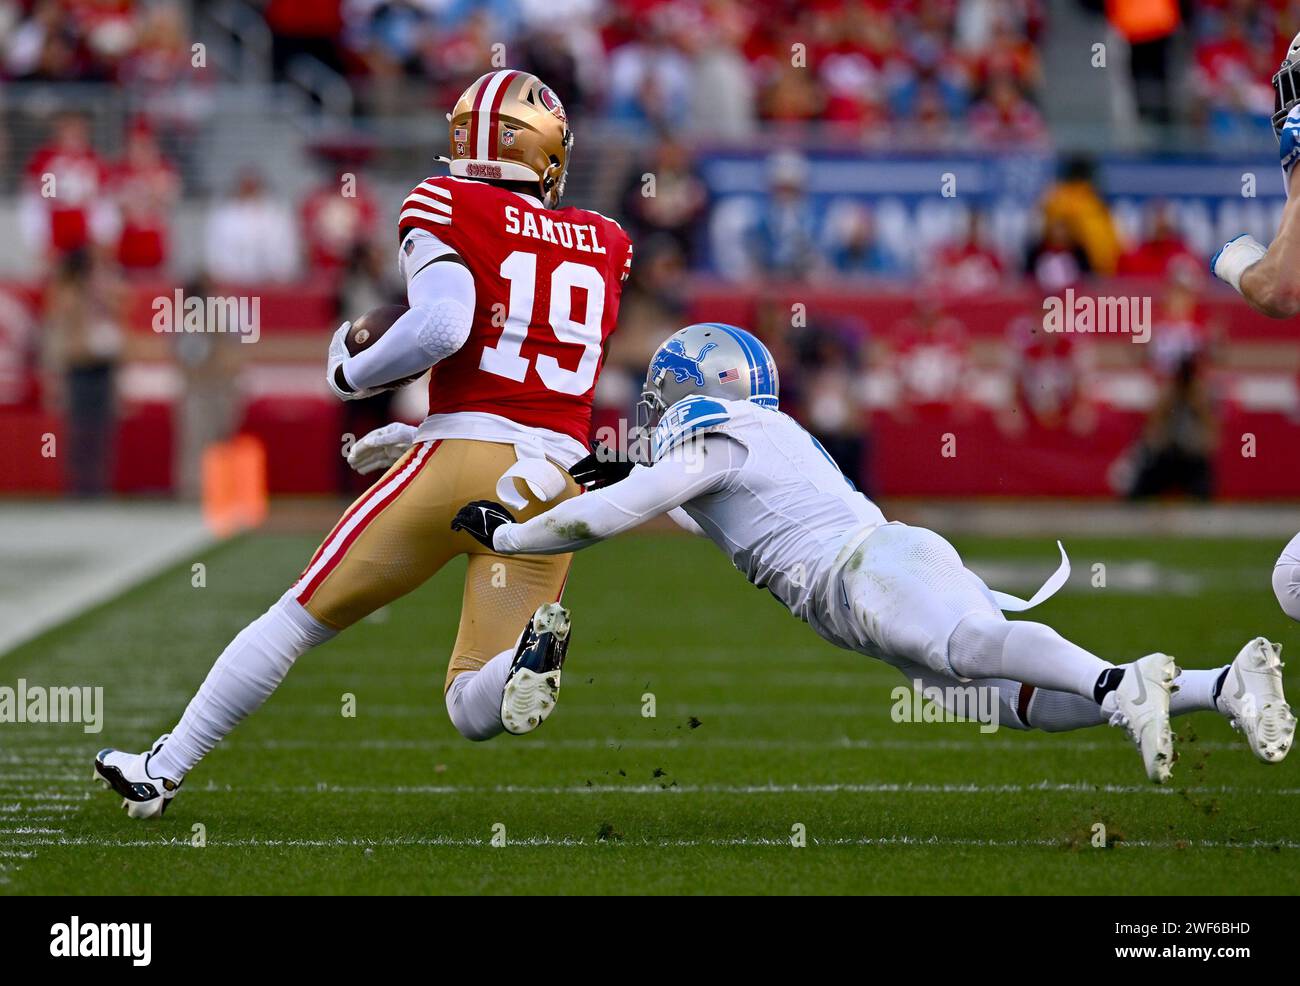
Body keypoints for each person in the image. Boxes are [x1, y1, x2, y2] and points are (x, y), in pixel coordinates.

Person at [93, 70, 635, 819]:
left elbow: (447, 326)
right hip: (555, 481)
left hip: (460, 460)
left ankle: (165, 766)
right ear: (544, 149)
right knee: (470, 703)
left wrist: (352, 373)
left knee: (294, 619)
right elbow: (529, 376)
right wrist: (419, 429)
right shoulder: (606, 241)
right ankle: (520, 662)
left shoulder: (447, 199)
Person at [452, 323, 1295, 782]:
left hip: (866, 569)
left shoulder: (723, 435)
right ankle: (1223, 685)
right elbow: (688, 503)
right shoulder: (745, 440)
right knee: (1010, 702)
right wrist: (621, 471)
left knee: (970, 652)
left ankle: (1120, 682)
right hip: (867, 572)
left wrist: (512, 534)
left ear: (694, 391)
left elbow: (615, 516)